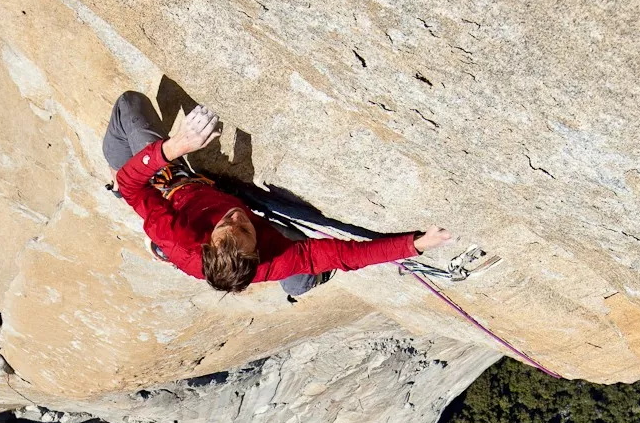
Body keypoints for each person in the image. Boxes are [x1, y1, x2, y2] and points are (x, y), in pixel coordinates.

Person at [102, 91, 453, 297]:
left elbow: (131, 184)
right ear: (258, 254)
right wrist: (416, 244)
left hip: (168, 184)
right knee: (302, 268)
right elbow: (349, 256)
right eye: (244, 229)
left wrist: (173, 149)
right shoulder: (275, 259)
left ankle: (162, 242)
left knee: (130, 105)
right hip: (260, 249)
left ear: (207, 242)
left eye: (228, 224)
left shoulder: (179, 238)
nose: (237, 217)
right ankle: (301, 287)